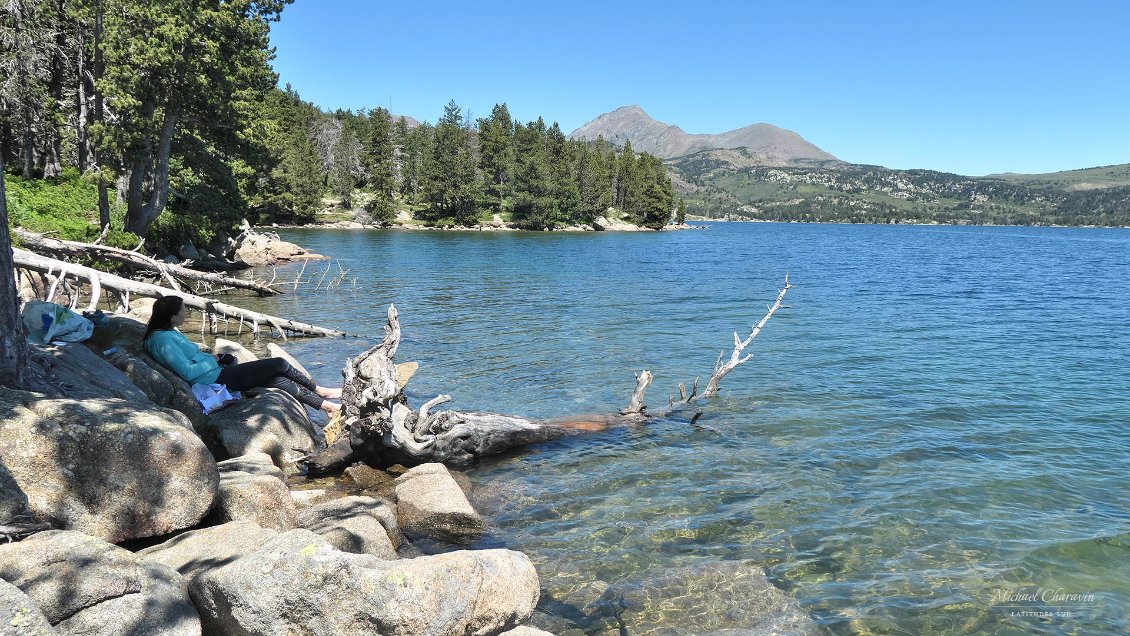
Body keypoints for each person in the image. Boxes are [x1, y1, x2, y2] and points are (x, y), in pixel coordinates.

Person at [143, 295, 341, 415]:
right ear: (171, 317)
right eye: (183, 311)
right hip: (216, 379)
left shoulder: (167, 334)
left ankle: (326, 407)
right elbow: (187, 372)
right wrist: (216, 359)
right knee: (279, 363)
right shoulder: (163, 340)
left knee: (276, 379)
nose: (185, 314)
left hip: (217, 373)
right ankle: (320, 391)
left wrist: (216, 360)